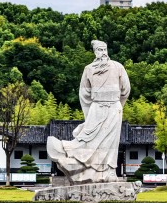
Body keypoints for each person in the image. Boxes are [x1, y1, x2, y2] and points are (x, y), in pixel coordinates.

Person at [47, 40, 130, 183]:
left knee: (111, 142)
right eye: (100, 50)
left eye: (105, 49)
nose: (103, 53)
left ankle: (109, 172)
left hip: (114, 108)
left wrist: (118, 106)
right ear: (95, 52)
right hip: (96, 107)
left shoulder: (118, 67)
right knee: (88, 136)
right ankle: (69, 152)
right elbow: (84, 93)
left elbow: (126, 90)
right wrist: (90, 111)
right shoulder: (89, 69)